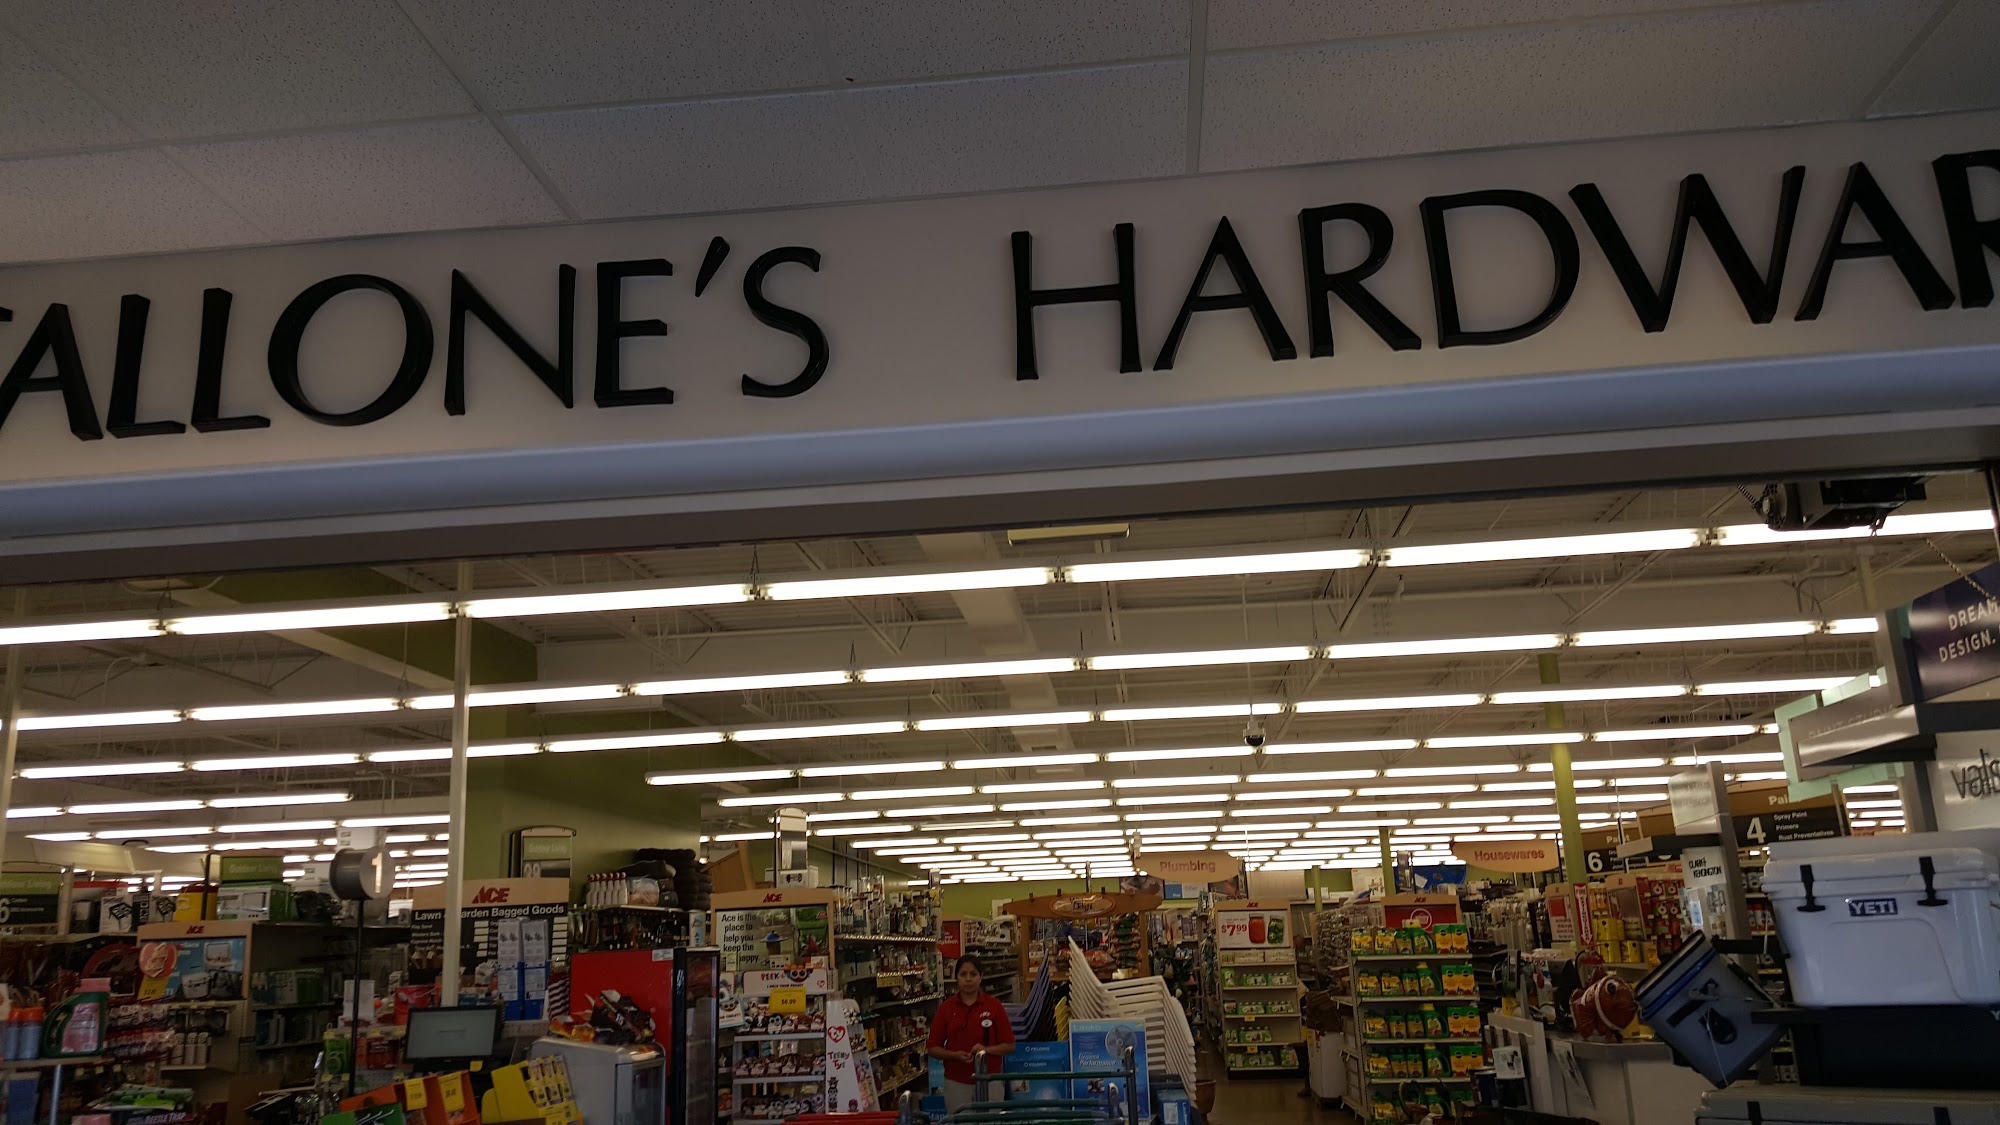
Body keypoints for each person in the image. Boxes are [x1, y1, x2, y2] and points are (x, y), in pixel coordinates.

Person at [927, 955, 1015, 1113]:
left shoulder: (994, 1006)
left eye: (973, 974)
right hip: (957, 1082)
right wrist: (954, 1055)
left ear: (981, 977)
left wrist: (985, 1050)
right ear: (956, 978)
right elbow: (933, 1048)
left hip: (990, 1080)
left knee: (990, 1122)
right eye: (963, 974)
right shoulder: (946, 1009)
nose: (968, 979)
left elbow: (1009, 1045)